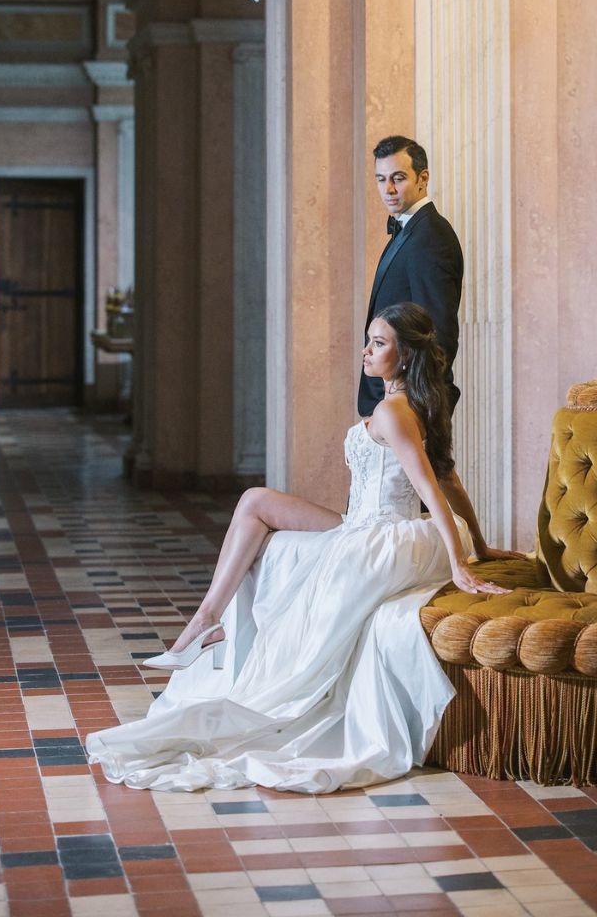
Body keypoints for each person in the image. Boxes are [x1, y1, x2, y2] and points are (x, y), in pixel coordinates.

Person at [86, 302, 509, 794]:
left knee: (260, 517)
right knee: (255, 501)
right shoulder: (411, 405)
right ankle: (206, 619)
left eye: (378, 344)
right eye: (368, 341)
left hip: (381, 534)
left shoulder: (393, 411)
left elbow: (432, 488)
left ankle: (205, 621)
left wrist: (461, 563)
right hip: (362, 523)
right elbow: (450, 477)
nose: (366, 351)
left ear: (407, 355)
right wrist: (481, 545)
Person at [362, 135, 521, 562]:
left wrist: (415, 401)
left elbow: (439, 333)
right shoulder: (408, 231)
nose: (388, 189)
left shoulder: (430, 236)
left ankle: (451, 571)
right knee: (397, 518)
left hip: (410, 397)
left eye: (398, 178)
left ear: (423, 177)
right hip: (391, 396)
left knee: (411, 518)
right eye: (380, 179)